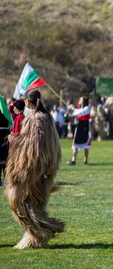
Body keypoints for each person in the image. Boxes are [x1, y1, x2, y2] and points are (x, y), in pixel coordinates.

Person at [4, 89, 64, 248]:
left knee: (19, 202)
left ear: (27, 102)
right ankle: (35, 238)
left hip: (32, 169)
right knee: (36, 204)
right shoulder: (47, 117)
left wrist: (14, 139)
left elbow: (33, 145)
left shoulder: (35, 119)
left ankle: (47, 228)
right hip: (45, 168)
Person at [68, 97, 92, 165]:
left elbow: (81, 112)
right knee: (75, 144)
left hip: (85, 128)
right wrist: (71, 110)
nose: (79, 101)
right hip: (79, 127)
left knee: (86, 146)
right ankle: (73, 160)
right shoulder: (78, 109)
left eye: (80, 100)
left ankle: (85, 160)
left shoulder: (87, 108)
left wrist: (73, 109)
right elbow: (75, 116)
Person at [0, 96, 12, 182]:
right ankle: (6, 178)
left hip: (2, 135)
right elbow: (12, 123)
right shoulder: (7, 113)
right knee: (5, 157)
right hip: (6, 135)